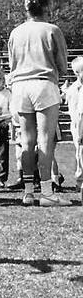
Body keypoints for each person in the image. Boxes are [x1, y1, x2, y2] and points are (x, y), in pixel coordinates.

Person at [7, 0, 70, 206]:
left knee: (26, 141)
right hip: (43, 83)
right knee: (45, 139)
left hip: (20, 86)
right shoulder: (52, 30)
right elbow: (62, 63)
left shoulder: (16, 32)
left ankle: (27, 192)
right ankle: (46, 192)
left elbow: (12, 63)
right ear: (46, 7)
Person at [64, 57, 83, 205]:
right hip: (78, 125)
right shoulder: (73, 89)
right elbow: (74, 111)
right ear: (77, 72)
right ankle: (80, 179)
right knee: (80, 152)